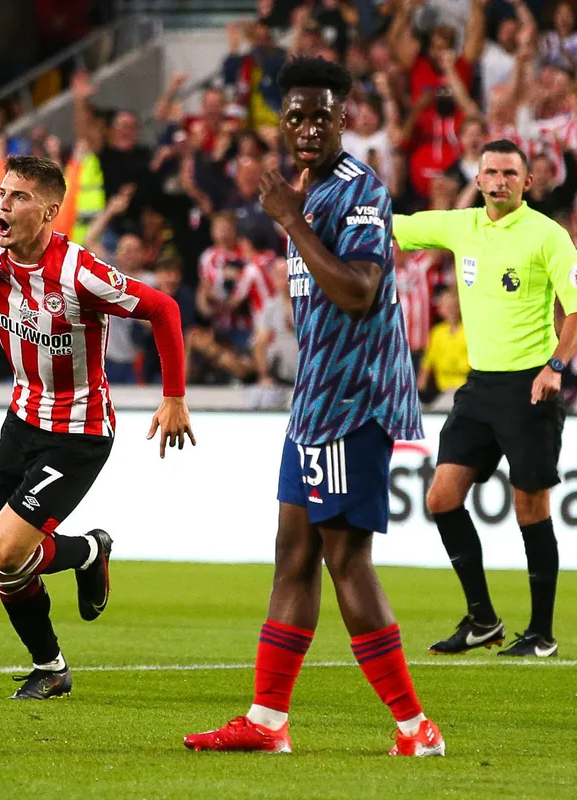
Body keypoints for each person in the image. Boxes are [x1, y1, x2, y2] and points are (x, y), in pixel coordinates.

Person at [184, 57, 444, 757]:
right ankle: (267, 722)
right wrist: (293, 211)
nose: (305, 127)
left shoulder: (359, 191)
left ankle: (416, 729)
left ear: (345, 117)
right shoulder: (303, 188)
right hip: (316, 399)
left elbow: (359, 288)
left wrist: (292, 222)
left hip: (351, 399)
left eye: (320, 115)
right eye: (294, 115)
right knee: (292, 553)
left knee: (344, 559)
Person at [0, 157, 195, 700]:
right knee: (8, 561)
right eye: (2, 192)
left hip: (78, 433)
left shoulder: (79, 272)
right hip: (21, 420)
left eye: (19, 196)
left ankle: (87, 562)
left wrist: (174, 398)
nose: (3, 203)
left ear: (48, 210)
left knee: (2, 549)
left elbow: (163, 308)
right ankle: (55, 656)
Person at [393, 139, 577, 659]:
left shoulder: (548, 236)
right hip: (479, 387)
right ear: (477, 180)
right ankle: (483, 620)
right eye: (490, 173)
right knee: (441, 498)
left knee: (530, 507)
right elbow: (393, 223)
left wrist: (554, 367)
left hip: (529, 387)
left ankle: (541, 634)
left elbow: (576, 309)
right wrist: (326, 199)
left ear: (527, 182)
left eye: (509, 174)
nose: (499, 182)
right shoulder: (461, 225)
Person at [416, 288, 469, 405]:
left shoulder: (469, 332)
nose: (449, 310)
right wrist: (420, 384)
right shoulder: (437, 333)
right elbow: (427, 362)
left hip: (465, 389)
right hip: (442, 389)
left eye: (452, 305)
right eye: (445, 306)